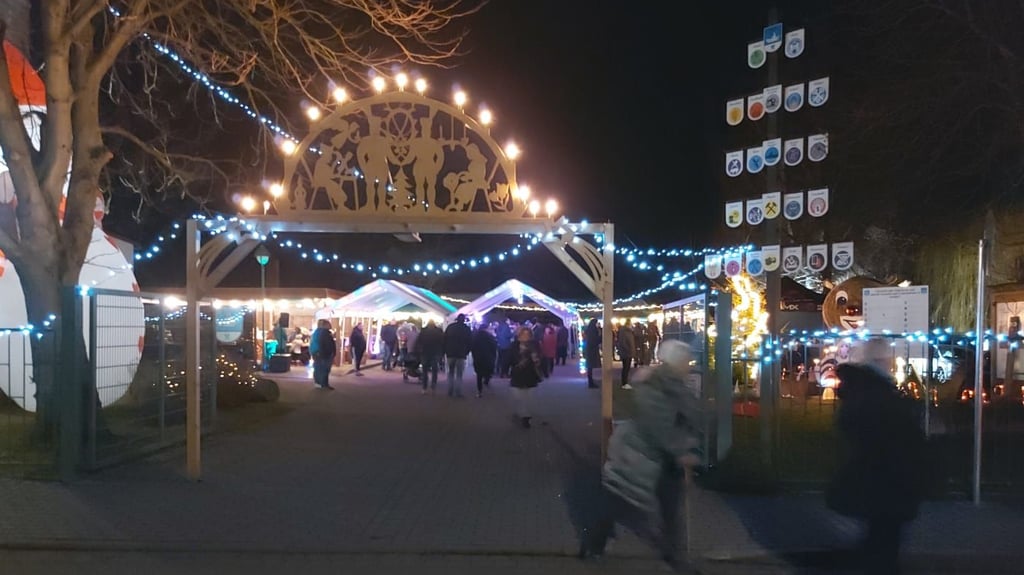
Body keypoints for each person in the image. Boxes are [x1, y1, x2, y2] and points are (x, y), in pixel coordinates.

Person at [579, 340, 704, 570]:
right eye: (685, 360)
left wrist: (689, 443)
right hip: (640, 458)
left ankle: (674, 554)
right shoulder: (654, 386)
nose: (689, 364)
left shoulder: (676, 384)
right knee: (617, 504)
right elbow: (658, 425)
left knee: (669, 509)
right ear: (675, 362)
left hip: (664, 460)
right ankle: (594, 545)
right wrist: (682, 450)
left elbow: (689, 417)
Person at [827, 340, 926, 575]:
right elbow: (891, 433)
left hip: (880, 477)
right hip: (887, 476)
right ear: (881, 361)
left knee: (881, 534)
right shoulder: (876, 392)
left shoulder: (867, 390)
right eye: (887, 359)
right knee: (885, 536)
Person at [510, 326, 544, 428]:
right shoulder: (514, 345)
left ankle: (526, 417)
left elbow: (540, 358)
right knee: (518, 397)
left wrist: (537, 360)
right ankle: (521, 413)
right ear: (519, 336)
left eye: (527, 335)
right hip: (517, 375)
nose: (525, 337)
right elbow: (510, 358)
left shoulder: (534, 345)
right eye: (523, 335)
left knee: (529, 399)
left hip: (530, 375)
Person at [443, 314, 473, 398]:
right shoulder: (466, 329)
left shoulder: (450, 327)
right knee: (459, 374)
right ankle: (458, 392)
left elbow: (444, 339)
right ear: (464, 320)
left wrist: (445, 351)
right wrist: (467, 352)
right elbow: (470, 342)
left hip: (450, 353)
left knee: (451, 372)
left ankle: (450, 390)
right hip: (461, 354)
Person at [416, 319, 444, 394]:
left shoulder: (423, 331)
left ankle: (424, 387)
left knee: (425, 370)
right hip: (435, 352)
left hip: (425, 352)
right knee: (435, 370)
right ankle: (433, 386)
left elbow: (419, 341)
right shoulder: (439, 331)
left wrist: (419, 351)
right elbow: (442, 342)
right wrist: (441, 353)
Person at [471, 323, 498, 398]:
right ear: (486, 328)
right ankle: (486, 380)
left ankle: (479, 391)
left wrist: (474, 356)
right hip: (488, 357)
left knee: (479, 375)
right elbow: (494, 347)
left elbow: (472, 347)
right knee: (488, 371)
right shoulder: (490, 336)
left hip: (478, 358)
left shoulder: (475, 336)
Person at [308, 319, 336, 390]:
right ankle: (322, 383)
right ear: (325, 325)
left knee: (320, 369)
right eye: (328, 324)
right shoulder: (323, 333)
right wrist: (329, 353)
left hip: (318, 353)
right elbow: (326, 344)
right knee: (323, 369)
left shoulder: (318, 332)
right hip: (322, 354)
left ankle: (321, 383)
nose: (330, 325)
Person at [617, 323, 636, 389]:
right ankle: (624, 383)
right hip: (626, 353)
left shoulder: (626, 332)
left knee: (626, 368)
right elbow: (623, 343)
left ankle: (625, 382)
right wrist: (629, 350)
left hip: (627, 353)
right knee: (626, 368)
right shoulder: (626, 333)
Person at [584, 318, 601, 389]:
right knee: (590, 366)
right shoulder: (593, 331)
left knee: (590, 366)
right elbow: (595, 340)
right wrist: (600, 337)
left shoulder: (589, 330)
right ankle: (591, 383)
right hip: (592, 350)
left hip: (589, 349)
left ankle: (590, 381)